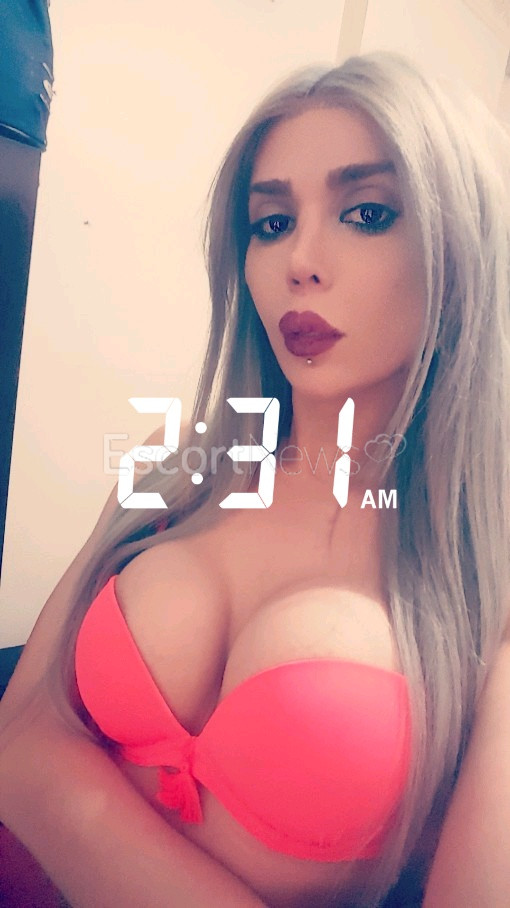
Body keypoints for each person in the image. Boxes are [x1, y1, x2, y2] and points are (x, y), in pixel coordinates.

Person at [1, 50, 510, 908]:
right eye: (270, 223)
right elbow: (16, 736)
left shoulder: (486, 577)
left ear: (462, 249)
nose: (299, 261)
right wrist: (40, 769)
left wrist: (57, 779)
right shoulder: (172, 474)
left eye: (367, 213)